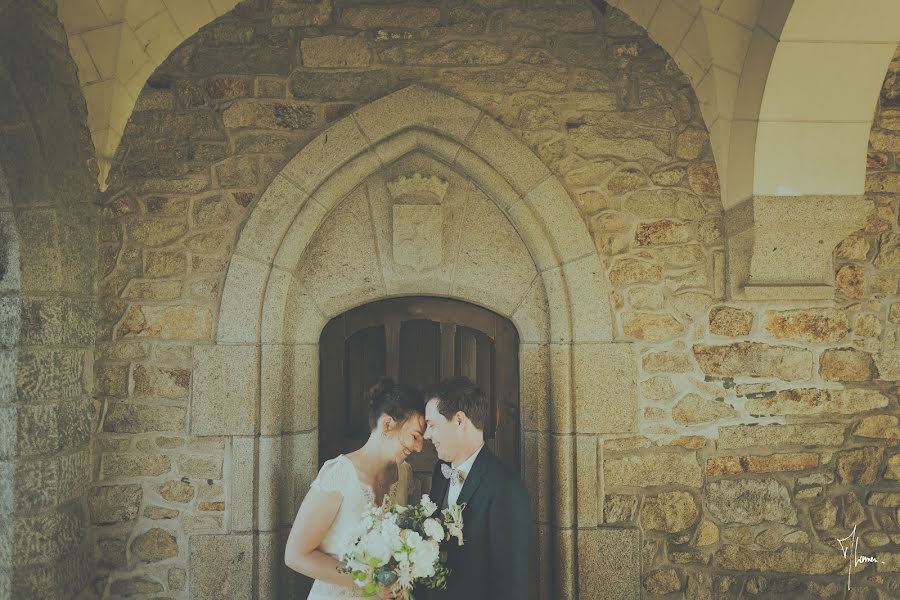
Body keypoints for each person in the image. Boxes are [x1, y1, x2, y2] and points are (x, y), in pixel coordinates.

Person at [285, 378, 426, 599]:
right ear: (388, 424)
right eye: (415, 436)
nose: (419, 447)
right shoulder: (338, 474)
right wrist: (367, 582)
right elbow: (295, 555)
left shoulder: (404, 473)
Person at [422, 376, 532, 600]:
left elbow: (513, 584)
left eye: (432, 425)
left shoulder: (505, 487)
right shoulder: (440, 474)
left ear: (460, 420)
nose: (426, 435)